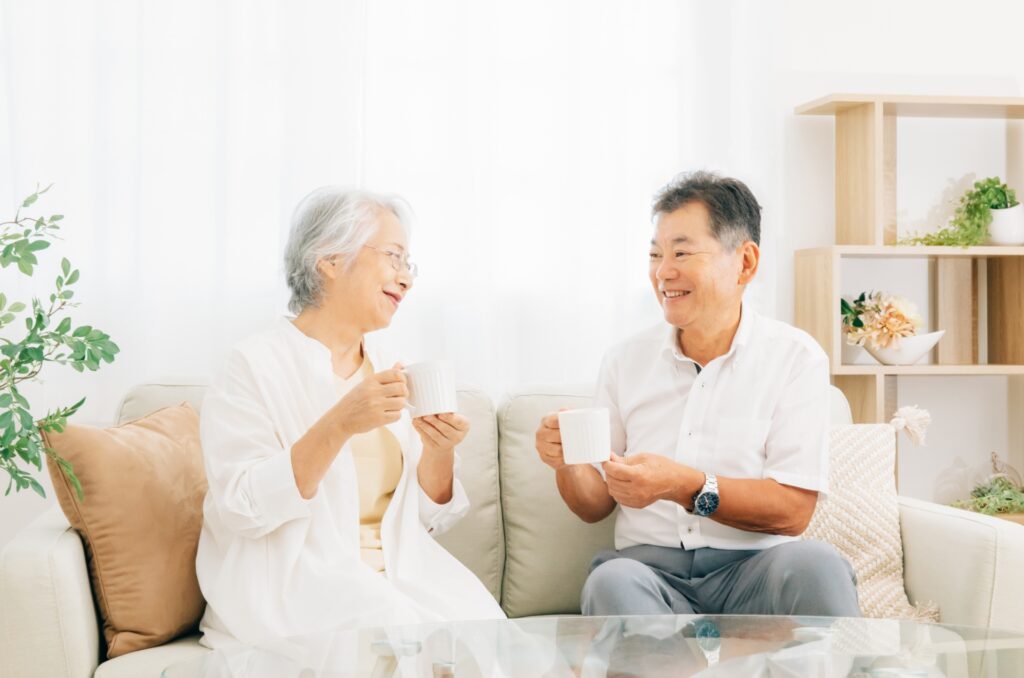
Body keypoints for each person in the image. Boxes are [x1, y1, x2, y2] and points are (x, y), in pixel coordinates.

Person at [534, 171, 860, 619]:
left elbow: (793, 511)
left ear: (745, 262)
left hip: (755, 570)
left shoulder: (796, 358)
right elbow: (594, 506)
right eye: (655, 254)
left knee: (818, 566)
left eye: (682, 252)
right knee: (611, 582)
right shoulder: (624, 360)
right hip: (649, 574)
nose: (663, 272)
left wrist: (683, 484)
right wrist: (567, 462)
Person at [196, 186, 504, 648]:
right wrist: (339, 423)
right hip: (296, 581)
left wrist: (438, 451)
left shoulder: (388, 363)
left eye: (409, 265)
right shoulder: (252, 365)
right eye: (394, 257)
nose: (406, 279)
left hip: (398, 574)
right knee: (403, 630)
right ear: (330, 260)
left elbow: (425, 516)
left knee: (494, 636)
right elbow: (243, 507)